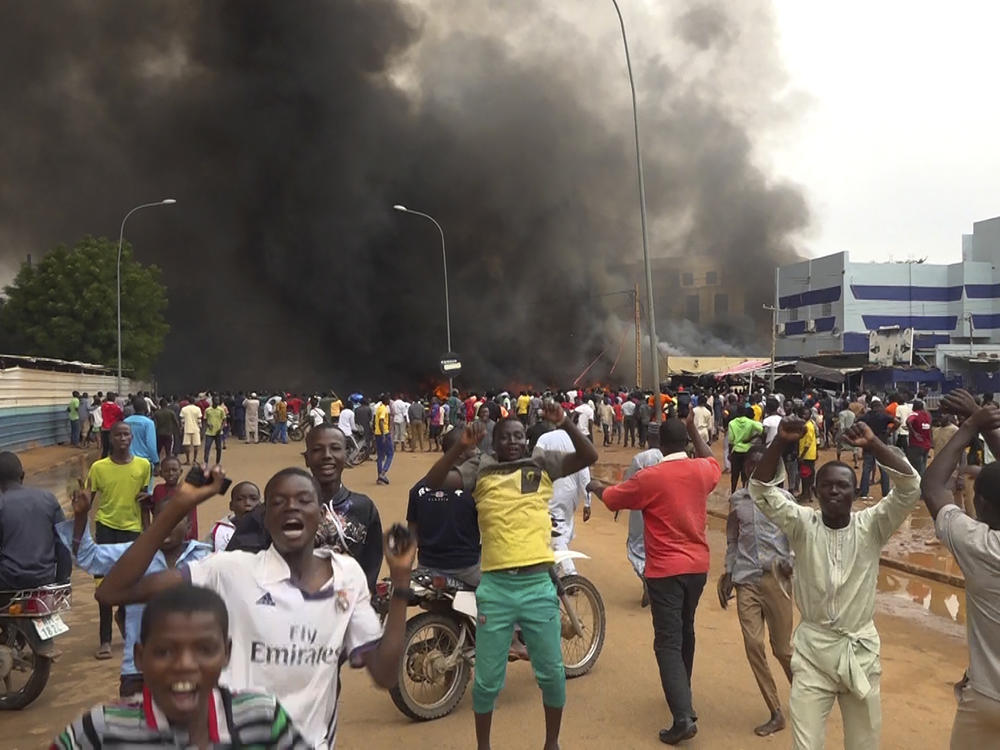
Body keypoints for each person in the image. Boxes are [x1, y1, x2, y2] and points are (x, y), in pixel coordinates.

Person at [94, 465, 412, 750]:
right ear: (264, 517)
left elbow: (384, 675)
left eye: (304, 500)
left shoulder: (348, 575)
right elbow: (112, 591)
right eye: (277, 502)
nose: (291, 507)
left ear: (321, 514)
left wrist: (400, 581)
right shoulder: (230, 571)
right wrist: (179, 505)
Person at [424, 404, 599, 750]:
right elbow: (433, 483)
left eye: (519, 436)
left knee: (551, 675)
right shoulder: (480, 467)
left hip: (538, 587)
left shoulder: (543, 463)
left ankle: (552, 743)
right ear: (494, 440)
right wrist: (461, 447)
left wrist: (565, 422)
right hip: (497, 590)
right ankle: (484, 746)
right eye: (506, 437)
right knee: (488, 682)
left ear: (526, 439)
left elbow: (588, 454)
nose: (514, 442)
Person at [750, 416, 920, 750]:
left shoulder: (873, 525)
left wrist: (874, 444)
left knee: (864, 744)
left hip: (860, 653)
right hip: (813, 654)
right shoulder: (802, 524)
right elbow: (760, 491)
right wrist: (781, 442)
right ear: (814, 492)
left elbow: (910, 487)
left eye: (843, 485)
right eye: (826, 485)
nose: (834, 491)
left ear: (855, 493)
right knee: (806, 745)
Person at [588, 414, 719, 745]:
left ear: (658, 444)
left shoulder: (650, 476)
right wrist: (694, 431)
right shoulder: (703, 470)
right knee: (686, 629)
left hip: (665, 571)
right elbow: (712, 459)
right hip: (698, 567)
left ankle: (682, 716)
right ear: (686, 443)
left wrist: (595, 485)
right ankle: (683, 697)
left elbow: (614, 498)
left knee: (667, 642)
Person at [51, 584, 312, 749]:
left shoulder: (261, 718)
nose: (185, 665)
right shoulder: (101, 730)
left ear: (226, 654)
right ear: (140, 658)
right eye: (164, 651)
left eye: (205, 650)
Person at [60, 488, 211, 697]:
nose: (166, 526)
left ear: (188, 526)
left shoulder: (207, 558)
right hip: (138, 670)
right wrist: (80, 516)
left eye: (175, 519)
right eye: (161, 519)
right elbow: (88, 557)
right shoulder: (134, 556)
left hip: (192, 667)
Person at [920, 397, 1000, 746]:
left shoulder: (978, 545)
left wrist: (971, 426)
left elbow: (933, 487)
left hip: (986, 697)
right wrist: (985, 427)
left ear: (979, 505)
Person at [227, 425, 384, 594]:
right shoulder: (272, 513)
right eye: (317, 450)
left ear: (346, 455)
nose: (327, 456)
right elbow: (237, 567)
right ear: (307, 458)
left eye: (335, 448)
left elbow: (371, 564)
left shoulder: (364, 508)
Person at [719, 445, 794, 737]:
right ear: (746, 467)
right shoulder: (738, 500)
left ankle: (806, 696)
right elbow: (732, 538)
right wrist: (728, 571)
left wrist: (792, 565)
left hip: (777, 582)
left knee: (782, 649)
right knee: (754, 646)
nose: (755, 470)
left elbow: (800, 539)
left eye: (761, 465)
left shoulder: (785, 501)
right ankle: (775, 710)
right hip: (746, 579)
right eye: (751, 464)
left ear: (772, 469)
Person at [86, 421, 152, 660]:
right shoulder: (98, 468)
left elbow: (145, 501)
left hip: (133, 531)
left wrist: (148, 532)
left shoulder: (144, 466)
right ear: (110, 439)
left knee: (132, 585)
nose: (122, 438)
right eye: (118, 435)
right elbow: (88, 499)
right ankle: (104, 640)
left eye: (126, 434)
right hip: (106, 529)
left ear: (132, 438)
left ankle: (128, 626)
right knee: (103, 585)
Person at [407, 428, 482, 586]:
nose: (478, 452)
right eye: (474, 448)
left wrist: (409, 566)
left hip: (427, 567)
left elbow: (412, 533)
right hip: (469, 569)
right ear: (460, 452)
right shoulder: (475, 490)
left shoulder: (417, 489)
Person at [0, 452, 68, 590]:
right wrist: (61, 582)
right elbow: (64, 544)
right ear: (23, 475)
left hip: (6, 581)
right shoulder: (48, 499)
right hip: (45, 579)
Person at [536, 424, 592, 576]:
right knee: (562, 527)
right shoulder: (578, 441)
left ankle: (570, 573)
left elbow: (536, 464)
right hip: (571, 494)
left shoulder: (544, 438)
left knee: (557, 530)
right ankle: (557, 568)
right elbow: (584, 472)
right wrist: (587, 502)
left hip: (552, 488)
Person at [147, 455, 199, 540]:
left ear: (180, 471)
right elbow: (156, 512)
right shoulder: (158, 490)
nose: (171, 473)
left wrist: (190, 537)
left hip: (183, 537)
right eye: (166, 471)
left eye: (174, 470)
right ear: (161, 474)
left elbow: (191, 518)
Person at [209, 481, 261, 552]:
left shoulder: (268, 528)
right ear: (231, 505)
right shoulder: (219, 530)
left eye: (253, 499)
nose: (247, 503)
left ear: (260, 504)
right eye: (240, 499)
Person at [858, 397, 894, 499]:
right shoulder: (884, 416)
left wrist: (862, 434)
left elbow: (857, 421)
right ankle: (885, 493)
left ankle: (864, 493)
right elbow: (897, 422)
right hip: (881, 445)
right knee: (884, 470)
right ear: (879, 406)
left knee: (866, 469)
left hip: (869, 445)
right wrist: (889, 432)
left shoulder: (866, 417)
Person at [125, 397, 159, 492]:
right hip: (145, 461)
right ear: (146, 408)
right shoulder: (148, 423)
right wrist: (156, 461)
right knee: (146, 490)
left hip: (128, 459)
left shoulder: (126, 421)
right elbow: (151, 444)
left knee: (129, 489)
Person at [728, 406, 764, 494]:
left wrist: (730, 453)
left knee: (734, 473)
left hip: (736, 450)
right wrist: (752, 437)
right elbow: (763, 430)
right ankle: (745, 490)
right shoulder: (751, 423)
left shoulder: (732, 423)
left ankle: (733, 491)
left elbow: (731, 440)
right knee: (745, 472)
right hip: (748, 451)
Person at [797, 406, 818, 503]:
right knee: (807, 475)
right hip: (809, 454)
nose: (804, 416)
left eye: (806, 414)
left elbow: (808, 443)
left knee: (806, 475)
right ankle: (806, 494)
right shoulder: (809, 424)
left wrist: (802, 455)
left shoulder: (808, 426)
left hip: (807, 455)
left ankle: (806, 494)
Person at [905, 399, 932, 475]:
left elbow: (908, 421)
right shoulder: (928, 415)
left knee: (916, 468)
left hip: (916, 444)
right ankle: (923, 483)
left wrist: (914, 433)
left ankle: (919, 484)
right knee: (923, 465)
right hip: (926, 444)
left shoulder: (914, 414)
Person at [374, 394, 393, 485]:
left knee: (380, 456)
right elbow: (381, 421)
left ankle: (379, 478)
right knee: (390, 454)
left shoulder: (378, 408)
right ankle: (383, 473)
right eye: (389, 399)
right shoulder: (384, 409)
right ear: (386, 400)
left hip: (377, 433)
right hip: (384, 433)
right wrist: (384, 434)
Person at [179, 397, 203, 464]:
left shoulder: (184, 409)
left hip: (187, 428)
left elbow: (182, 420)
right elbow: (199, 420)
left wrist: (182, 427)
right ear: (194, 401)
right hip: (196, 428)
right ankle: (195, 460)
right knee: (196, 445)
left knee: (187, 445)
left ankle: (188, 460)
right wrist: (200, 428)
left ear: (188, 402)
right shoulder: (198, 409)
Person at [100, 391, 124, 458]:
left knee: (105, 447)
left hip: (104, 428)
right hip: (113, 429)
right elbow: (121, 417)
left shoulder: (103, 406)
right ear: (114, 398)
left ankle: (103, 460)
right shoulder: (116, 407)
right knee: (113, 447)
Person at [203, 396, 227, 463]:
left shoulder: (221, 410)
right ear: (213, 401)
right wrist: (208, 424)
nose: (217, 401)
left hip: (218, 432)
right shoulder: (208, 410)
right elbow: (204, 420)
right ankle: (206, 462)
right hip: (209, 432)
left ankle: (217, 463)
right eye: (216, 400)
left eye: (218, 400)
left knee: (219, 448)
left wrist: (221, 428)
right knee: (207, 448)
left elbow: (224, 420)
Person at [836, 401, 859, 468]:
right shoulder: (853, 414)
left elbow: (841, 424)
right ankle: (856, 463)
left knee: (839, 446)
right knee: (855, 448)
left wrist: (842, 432)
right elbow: (854, 423)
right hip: (852, 432)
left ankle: (838, 460)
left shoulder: (841, 413)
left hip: (844, 432)